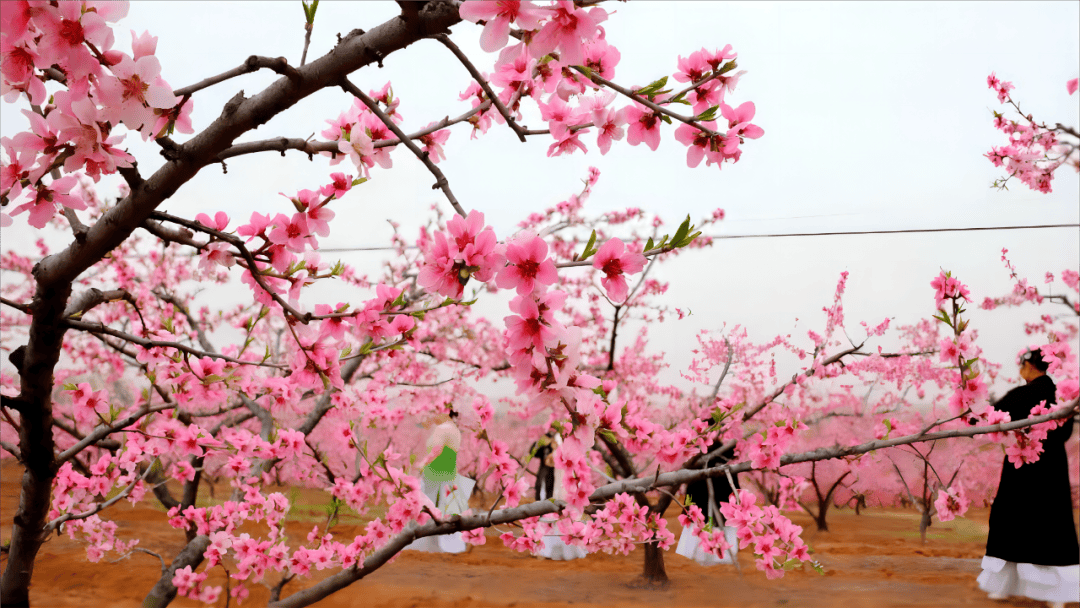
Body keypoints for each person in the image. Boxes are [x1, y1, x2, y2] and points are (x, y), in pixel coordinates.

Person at [976, 347, 1079, 607]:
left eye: (1022, 364)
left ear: (1030, 365)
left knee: (1011, 522)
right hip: (1052, 469)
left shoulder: (1022, 394)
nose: (1020, 369)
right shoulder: (1062, 395)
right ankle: (1057, 596)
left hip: (1021, 467)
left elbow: (990, 418)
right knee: (1051, 524)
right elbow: (1064, 434)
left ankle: (1002, 588)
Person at [404, 408, 476, 553]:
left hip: (435, 473)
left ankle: (429, 546)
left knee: (427, 510)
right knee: (448, 510)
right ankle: (453, 546)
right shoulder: (454, 429)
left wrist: (422, 464)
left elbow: (436, 450)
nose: (433, 415)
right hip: (449, 473)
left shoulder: (442, 428)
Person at [676, 439, 740, 566]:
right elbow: (735, 490)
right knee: (713, 526)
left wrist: (688, 508)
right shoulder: (728, 466)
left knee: (706, 527)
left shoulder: (698, 465)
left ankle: (704, 557)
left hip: (701, 507)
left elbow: (690, 490)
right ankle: (719, 558)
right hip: (720, 508)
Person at [536, 433, 588, 561]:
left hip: (567, 484)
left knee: (564, 511)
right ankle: (569, 548)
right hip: (563, 484)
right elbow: (548, 462)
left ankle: (563, 547)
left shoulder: (564, 450)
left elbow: (548, 462)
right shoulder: (571, 448)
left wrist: (555, 451)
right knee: (564, 511)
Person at [531, 431, 557, 501]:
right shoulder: (544, 445)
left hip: (554, 471)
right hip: (544, 468)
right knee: (540, 486)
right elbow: (534, 453)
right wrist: (539, 443)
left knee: (550, 489)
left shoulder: (557, 444)